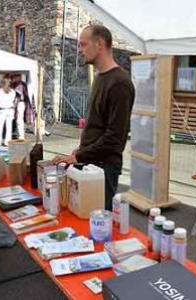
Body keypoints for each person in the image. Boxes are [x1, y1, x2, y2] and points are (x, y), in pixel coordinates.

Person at [52, 24, 135, 211]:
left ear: (99, 44)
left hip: (104, 169)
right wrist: (79, 152)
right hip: (90, 164)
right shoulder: (100, 78)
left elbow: (114, 138)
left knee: (98, 226)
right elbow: (97, 125)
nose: (80, 50)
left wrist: (77, 156)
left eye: (83, 44)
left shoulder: (120, 83)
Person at [0, 78, 16, 146]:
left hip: (3, 110)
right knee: (8, 127)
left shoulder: (0, 91)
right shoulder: (13, 91)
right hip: (9, 110)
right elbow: (13, 100)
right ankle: (7, 142)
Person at [13, 74, 31, 139]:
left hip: (20, 103)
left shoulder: (20, 84)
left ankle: (21, 136)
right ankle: (20, 135)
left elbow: (18, 94)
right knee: (19, 120)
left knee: (19, 120)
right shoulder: (21, 84)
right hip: (21, 103)